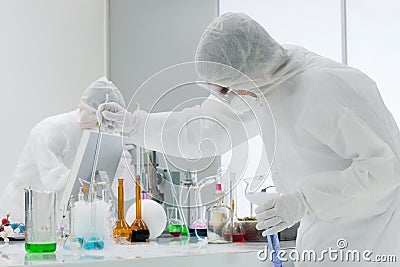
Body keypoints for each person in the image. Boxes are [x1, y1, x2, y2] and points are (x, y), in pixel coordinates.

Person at [98, 13, 400, 265]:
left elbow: (386, 169)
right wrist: (132, 124)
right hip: (323, 236)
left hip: (371, 240)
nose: (224, 99)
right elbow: (207, 131)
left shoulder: (322, 88)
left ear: (245, 71)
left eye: (225, 90)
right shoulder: (261, 84)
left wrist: (304, 199)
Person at [0, 77, 129, 222]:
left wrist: (126, 163)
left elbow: (123, 189)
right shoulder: (49, 131)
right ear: (85, 107)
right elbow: (55, 181)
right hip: (22, 211)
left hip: (57, 215)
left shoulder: (106, 134)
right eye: (100, 120)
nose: (105, 127)